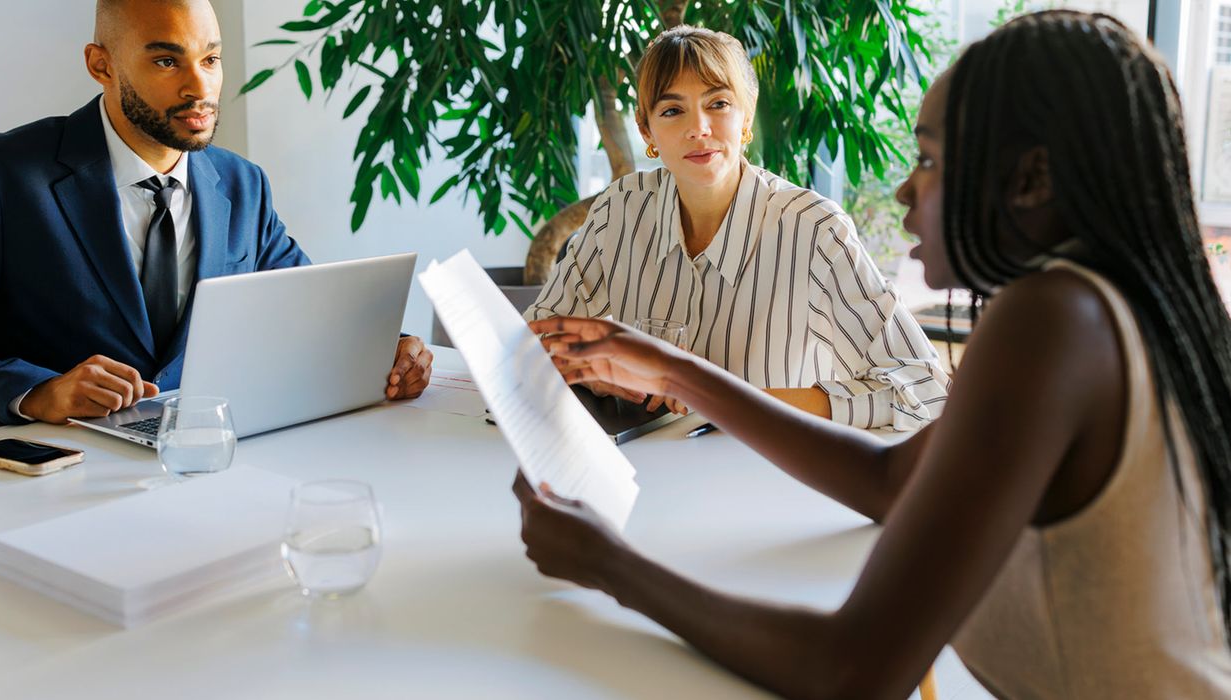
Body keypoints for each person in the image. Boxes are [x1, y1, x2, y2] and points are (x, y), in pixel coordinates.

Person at [519, 11, 1231, 699]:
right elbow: (892, 480)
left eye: (928, 159)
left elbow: (850, 671)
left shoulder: (1052, 324)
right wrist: (675, 371)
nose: (903, 189)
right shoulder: (1092, 307)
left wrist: (608, 564)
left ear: (1030, 179)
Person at [0, 0, 432, 434]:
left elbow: (307, 315)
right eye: (166, 60)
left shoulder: (242, 184)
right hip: (40, 481)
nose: (199, 86)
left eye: (211, 59)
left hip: (205, 466)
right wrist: (37, 393)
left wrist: (386, 347)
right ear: (101, 65)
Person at [526, 26, 947, 430]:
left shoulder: (813, 230)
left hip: (768, 479)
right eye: (673, 110)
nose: (699, 129)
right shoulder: (621, 208)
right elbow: (536, 337)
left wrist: (715, 394)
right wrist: (598, 373)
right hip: (645, 469)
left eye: (718, 104)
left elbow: (925, 387)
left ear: (746, 118)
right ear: (646, 129)